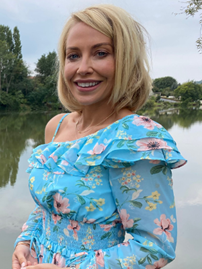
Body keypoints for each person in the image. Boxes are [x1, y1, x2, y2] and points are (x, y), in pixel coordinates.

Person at [11, 5, 186, 269]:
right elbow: (50, 206)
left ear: (126, 60)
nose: (83, 68)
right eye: (73, 56)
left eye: (100, 53)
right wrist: (25, 242)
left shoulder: (134, 139)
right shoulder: (56, 126)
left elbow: (154, 247)